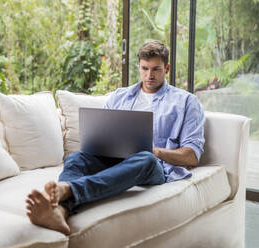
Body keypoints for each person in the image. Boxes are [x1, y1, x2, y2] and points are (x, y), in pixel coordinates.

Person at [25, 40, 205, 235]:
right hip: (113, 160)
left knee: (146, 158)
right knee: (76, 158)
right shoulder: (120, 96)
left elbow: (192, 156)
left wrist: (156, 151)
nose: (149, 75)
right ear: (139, 66)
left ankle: (68, 189)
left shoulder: (186, 101)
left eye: (156, 69)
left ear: (167, 68)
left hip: (152, 166)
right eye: (144, 69)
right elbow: (103, 134)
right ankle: (60, 210)